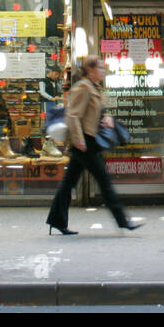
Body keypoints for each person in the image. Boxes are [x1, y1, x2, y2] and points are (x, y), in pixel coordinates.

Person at [45, 56, 140, 235]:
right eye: (100, 68)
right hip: (84, 141)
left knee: (68, 183)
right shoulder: (83, 87)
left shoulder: (94, 88)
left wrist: (106, 117)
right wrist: (79, 140)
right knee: (104, 181)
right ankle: (122, 220)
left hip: (88, 140)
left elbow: (94, 112)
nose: (103, 71)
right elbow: (73, 115)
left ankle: (56, 220)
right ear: (90, 70)